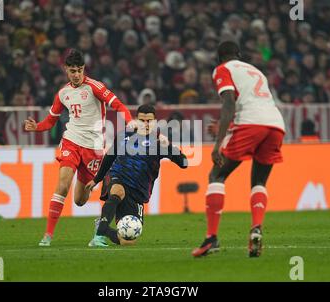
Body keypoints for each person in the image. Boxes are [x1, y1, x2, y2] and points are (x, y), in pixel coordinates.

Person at [24, 49, 135, 247]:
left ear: (84, 69)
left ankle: (97, 225)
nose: (76, 74)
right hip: (71, 141)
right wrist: (36, 127)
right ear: (66, 70)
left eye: (79, 70)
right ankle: (47, 236)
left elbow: (118, 105)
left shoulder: (95, 87)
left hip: (93, 148)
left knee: (80, 200)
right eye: (72, 70)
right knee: (63, 183)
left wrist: (130, 121)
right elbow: (51, 120)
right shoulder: (63, 93)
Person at [192, 41, 285, 258]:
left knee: (217, 174)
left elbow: (229, 104)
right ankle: (256, 228)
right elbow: (253, 103)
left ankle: (211, 238)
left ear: (219, 57)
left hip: (250, 123)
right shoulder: (255, 71)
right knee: (259, 181)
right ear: (239, 54)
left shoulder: (222, 69)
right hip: (276, 125)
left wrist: (218, 142)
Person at [85, 104, 188, 247]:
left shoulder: (159, 143)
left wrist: (170, 146)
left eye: (149, 121)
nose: (145, 124)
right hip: (117, 177)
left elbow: (184, 163)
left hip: (137, 192)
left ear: (155, 122)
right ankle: (101, 231)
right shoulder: (124, 136)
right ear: (136, 120)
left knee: (128, 241)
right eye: (142, 120)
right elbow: (109, 157)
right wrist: (96, 180)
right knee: (117, 191)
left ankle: (103, 229)